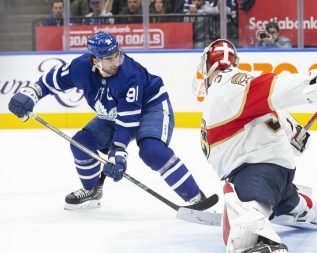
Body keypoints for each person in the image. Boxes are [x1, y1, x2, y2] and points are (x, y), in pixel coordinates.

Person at [197, 39, 317, 253]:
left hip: (253, 172)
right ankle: (310, 210)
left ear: (207, 66)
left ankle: (254, 235)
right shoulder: (231, 89)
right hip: (279, 177)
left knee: (236, 192)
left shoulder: (227, 85)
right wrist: (293, 132)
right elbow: (270, 109)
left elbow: (274, 87)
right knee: (289, 200)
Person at [8, 32, 218, 211]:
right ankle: (92, 190)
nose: (115, 61)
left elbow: (128, 121)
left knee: (151, 150)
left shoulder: (129, 75)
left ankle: (196, 198)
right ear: (94, 60)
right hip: (112, 113)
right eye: (108, 59)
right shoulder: (80, 67)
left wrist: (118, 154)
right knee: (80, 144)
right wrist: (30, 94)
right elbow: (49, 82)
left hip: (150, 107)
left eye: (117, 55)